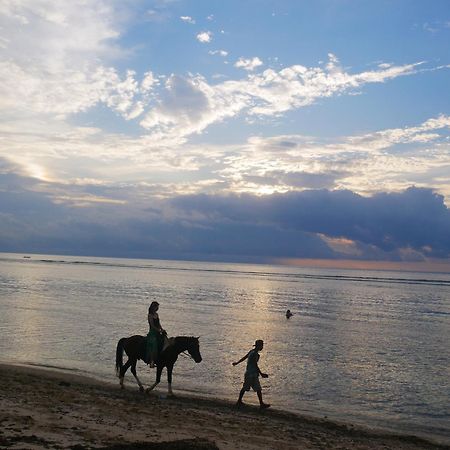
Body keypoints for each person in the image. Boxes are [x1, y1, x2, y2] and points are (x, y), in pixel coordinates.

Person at [232, 339, 270, 409]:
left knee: (258, 388)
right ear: (259, 346)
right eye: (262, 346)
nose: (262, 347)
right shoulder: (254, 354)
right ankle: (239, 401)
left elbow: (244, 358)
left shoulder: (251, 352)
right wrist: (261, 374)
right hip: (250, 374)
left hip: (253, 373)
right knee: (245, 387)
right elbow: (255, 364)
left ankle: (261, 403)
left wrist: (237, 363)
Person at [146, 301, 166, 368]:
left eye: (157, 307)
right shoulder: (150, 315)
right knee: (153, 344)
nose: (157, 308)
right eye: (156, 307)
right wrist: (158, 330)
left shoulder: (156, 314)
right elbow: (152, 325)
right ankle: (152, 361)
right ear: (153, 307)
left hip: (158, 331)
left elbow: (159, 324)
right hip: (152, 332)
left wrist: (162, 329)